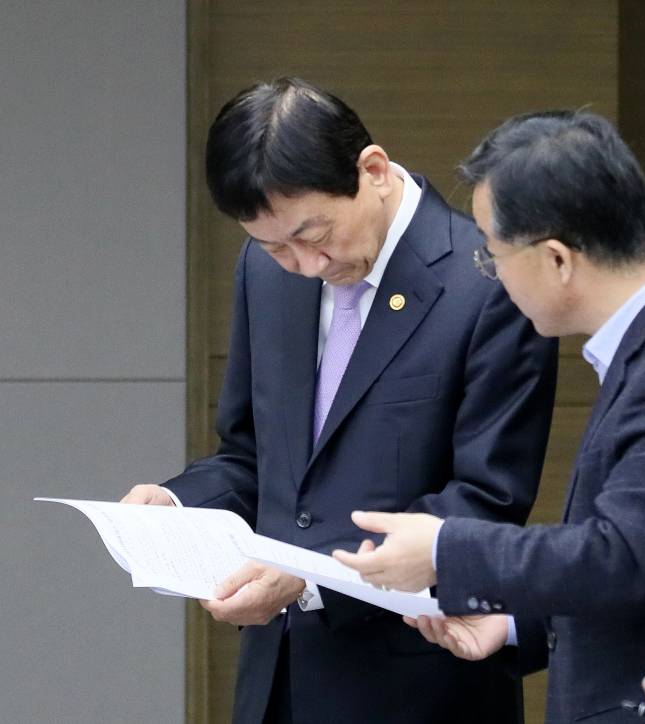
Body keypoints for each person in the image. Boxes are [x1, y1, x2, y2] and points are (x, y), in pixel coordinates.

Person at [121, 77, 558, 724]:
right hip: (277, 684)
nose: (305, 263)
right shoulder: (263, 274)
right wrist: (180, 504)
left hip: (420, 687)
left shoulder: (487, 279)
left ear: (372, 171)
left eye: (314, 233)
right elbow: (252, 458)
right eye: (275, 246)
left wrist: (313, 575)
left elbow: (485, 502)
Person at [333, 111, 645, 723]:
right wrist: (514, 622)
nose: (493, 275)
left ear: (557, 259)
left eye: (494, 255)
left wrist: (446, 549)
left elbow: (628, 557)